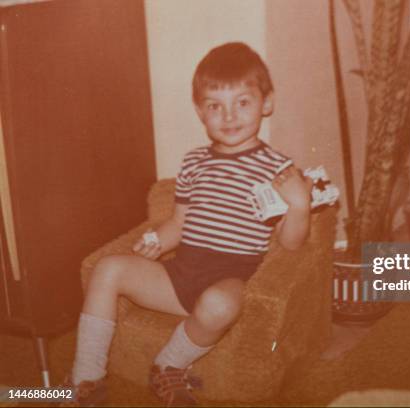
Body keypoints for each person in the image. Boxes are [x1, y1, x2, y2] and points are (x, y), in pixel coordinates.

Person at [64, 42, 313, 406]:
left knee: (220, 304)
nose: (229, 116)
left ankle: (169, 365)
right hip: (180, 274)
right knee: (108, 268)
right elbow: (179, 222)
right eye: (215, 106)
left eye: (242, 102)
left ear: (267, 102)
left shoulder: (278, 169)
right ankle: (86, 378)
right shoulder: (195, 161)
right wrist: (156, 240)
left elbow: (290, 245)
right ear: (200, 111)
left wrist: (300, 206)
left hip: (229, 279)